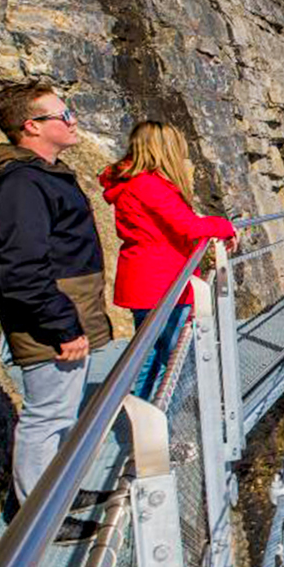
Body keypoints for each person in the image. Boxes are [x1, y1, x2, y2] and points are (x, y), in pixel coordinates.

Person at [0, 82, 114, 544]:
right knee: (47, 415)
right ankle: (38, 517)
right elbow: (22, 269)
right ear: (32, 126)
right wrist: (63, 325)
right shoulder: (20, 185)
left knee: (62, 412)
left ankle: (58, 491)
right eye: (62, 114)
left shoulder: (37, 175)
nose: (72, 121)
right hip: (52, 319)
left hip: (65, 310)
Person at [100, 122, 238, 399]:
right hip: (163, 282)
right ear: (165, 149)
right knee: (177, 358)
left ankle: (144, 418)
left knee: (149, 355)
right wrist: (224, 226)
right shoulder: (148, 185)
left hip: (146, 279)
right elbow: (188, 227)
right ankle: (168, 426)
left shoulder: (131, 184)